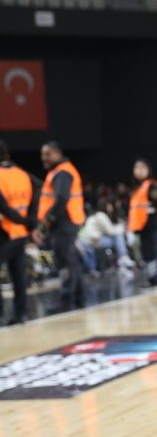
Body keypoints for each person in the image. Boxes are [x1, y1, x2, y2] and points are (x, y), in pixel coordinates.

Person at [33, 140, 85, 311]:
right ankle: (78, 299)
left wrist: (46, 222)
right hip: (67, 221)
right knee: (72, 261)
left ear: (57, 153)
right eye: (42, 154)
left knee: (65, 262)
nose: (44, 158)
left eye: (47, 154)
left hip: (63, 222)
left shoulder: (62, 172)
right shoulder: (60, 171)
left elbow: (61, 199)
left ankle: (66, 301)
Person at [0, 140, 36, 326]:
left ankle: (1, 316)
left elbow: (4, 208)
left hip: (5, 232)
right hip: (21, 233)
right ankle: (21, 314)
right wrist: (29, 224)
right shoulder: (23, 175)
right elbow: (33, 205)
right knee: (18, 276)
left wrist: (21, 222)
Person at [127, 159, 157, 286]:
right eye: (137, 167)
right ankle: (151, 278)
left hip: (151, 223)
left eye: (143, 167)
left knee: (151, 252)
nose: (139, 170)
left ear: (148, 170)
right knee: (146, 253)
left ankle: (155, 279)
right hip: (141, 226)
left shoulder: (151, 185)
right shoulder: (137, 188)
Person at [79, 198, 135, 275]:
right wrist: (123, 228)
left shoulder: (98, 215)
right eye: (109, 205)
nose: (111, 207)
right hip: (93, 241)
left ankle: (122, 257)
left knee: (117, 237)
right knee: (118, 237)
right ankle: (123, 256)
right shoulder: (101, 215)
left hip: (91, 239)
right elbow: (111, 231)